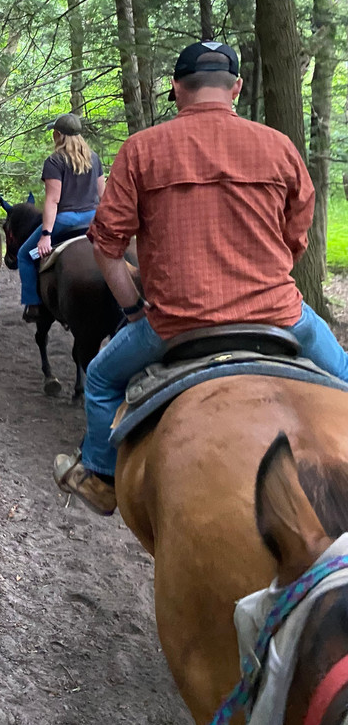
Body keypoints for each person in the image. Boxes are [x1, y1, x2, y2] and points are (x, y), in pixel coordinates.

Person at [53, 41, 348, 516]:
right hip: (280, 316)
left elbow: (107, 250)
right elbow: (297, 242)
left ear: (176, 88)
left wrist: (133, 312)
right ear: (236, 87)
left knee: (104, 379)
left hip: (175, 324)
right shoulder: (280, 147)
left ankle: (101, 478)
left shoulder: (141, 150)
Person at [18, 114, 105, 322]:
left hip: (65, 222)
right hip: (92, 219)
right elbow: (103, 195)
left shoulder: (54, 161)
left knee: (24, 255)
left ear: (58, 134)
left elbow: (52, 201)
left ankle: (33, 305)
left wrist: (46, 235)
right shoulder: (94, 158)